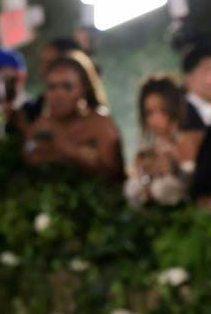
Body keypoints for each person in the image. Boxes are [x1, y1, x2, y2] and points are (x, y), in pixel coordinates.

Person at [23, 54, 123, 182]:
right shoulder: (41, 126)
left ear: (83, 88)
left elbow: (112, 173)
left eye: (67, 87)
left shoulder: (101, 124)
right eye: (52, 87)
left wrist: (70, 151)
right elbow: (29, 158)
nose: (59, 94)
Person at [124, 75, 196, 207]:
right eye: (149, 113)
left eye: (162, 111)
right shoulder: (146, 149)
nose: (155, 119)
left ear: (173, 110)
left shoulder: (187, 141)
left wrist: (175, 165)